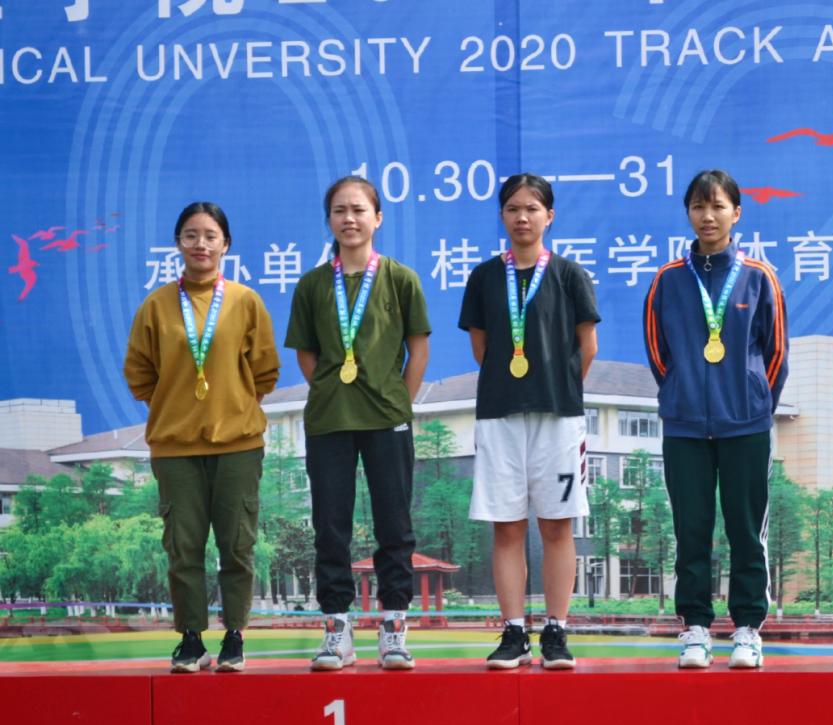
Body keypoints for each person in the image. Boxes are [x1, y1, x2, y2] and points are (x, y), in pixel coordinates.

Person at [124, 201, 280, 673]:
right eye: (191, 235)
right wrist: (177, 407)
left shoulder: (245, 301)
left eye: (211, 236)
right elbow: (140, 374)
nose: (201, 244)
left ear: (225, 244)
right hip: (175, 449)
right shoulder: (156, 306)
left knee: (237, 545)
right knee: (183, 547)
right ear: (178, 243)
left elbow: (266, 371)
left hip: (238, 446)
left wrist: (231, 404)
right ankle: (191, 639)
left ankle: (234, 635)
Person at [643, 169, 788, 670]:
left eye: (718, 206)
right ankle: (696, 629)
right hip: (685, 426)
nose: (708, 216)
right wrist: (682, 393)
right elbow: (658, 353)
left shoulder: (759, 277)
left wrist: (753, 402)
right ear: (688, 213)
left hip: (746, 425)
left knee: (747, 531)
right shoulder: (668, 280)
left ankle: (747, 629)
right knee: (691, 530)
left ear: (736, 213)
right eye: (698, 206)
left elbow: (776, 352)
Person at [285, 176, 430, 671]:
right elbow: (306, 354)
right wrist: (334, 389)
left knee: (395, 525)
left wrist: (397, 400)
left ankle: (394, 630)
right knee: (331, 527)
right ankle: (337, 632)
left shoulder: (400, 279)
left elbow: (418, 349)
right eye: (340, 211)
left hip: (388, 418)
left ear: (377, 218)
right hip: (329, 420)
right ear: (329, 220)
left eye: (359, 209)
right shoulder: (312, 285)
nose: (349, 219)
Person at [459, 173, 599, 670]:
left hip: (558, 418)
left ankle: (556, 630)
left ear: (549, 216)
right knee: (507, 527)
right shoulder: (483, 277)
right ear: (502, 215)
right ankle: (515, 631)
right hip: (499, 416)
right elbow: (481, 348)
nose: (522, 217)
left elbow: (587, 347)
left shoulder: (569, 275)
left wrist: (554, 387)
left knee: (558, 526)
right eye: (513, 208)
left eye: (532, 208)